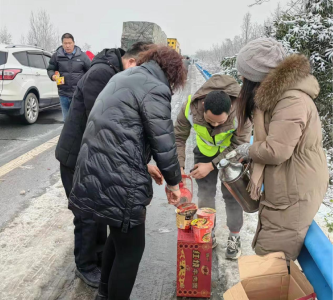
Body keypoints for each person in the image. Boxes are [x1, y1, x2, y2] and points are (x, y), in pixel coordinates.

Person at [68, 46, 186, 300]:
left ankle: (104, 293)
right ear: (172, 73)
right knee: (132, 249)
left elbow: (119, 132)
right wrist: (174, 184)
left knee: (118, 238)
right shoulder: (155, 87)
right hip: (119, 179)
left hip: (93, 170)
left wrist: (145, 165)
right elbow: (163, 141)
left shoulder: (123, 77)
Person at [55, 42, 154, 288]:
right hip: (76, 156)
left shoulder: (114, 74)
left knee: (99, 213)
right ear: (132, 61)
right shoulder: (102, 74)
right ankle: (85, 265)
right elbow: (103, 123)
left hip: (94, 156)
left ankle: (98, 257)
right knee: (86, 215)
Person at [234, 37, 329, 262]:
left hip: (294, 189)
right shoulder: (274, 98)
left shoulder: (291, 100)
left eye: (244, 73)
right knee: (270, 253)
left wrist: (248, 151)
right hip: (285, 185)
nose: (241, 78)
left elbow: (276, 150)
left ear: (257, 75)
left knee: (271, 257)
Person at [174, 74, 252, 258]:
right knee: (205, 193)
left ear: (231, 108)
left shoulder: (242, 113)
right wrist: (180, 166)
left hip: (232, 155)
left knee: (232, 196)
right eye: (211, 121)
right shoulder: (190, 107)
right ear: (203, 107)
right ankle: (208, 231)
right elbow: (179, 137)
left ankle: (234, 236)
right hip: (204, 152)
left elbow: (239, 146)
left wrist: (211, 166)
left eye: (220, 122)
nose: (215, 124)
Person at [47, 33, 91, 121]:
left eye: (69, 43)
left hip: (78, 94)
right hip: (63, 94)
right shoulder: (57, 56)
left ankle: (78, 135)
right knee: (66, 121)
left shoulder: (82, 56)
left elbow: (90, 71)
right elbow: (50, 69)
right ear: (62, 44)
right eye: (65, 43)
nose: (67, 46)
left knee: (78, 120)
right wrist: (53, 76)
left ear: (74, 43)